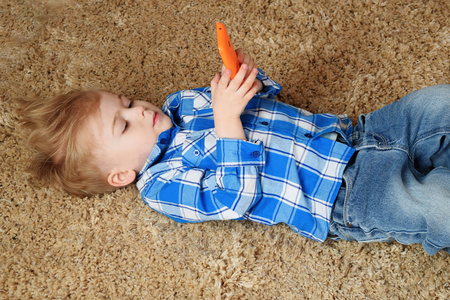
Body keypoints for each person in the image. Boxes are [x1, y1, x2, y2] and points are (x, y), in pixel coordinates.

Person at [19, 50, 450, 255]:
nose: (140, 110)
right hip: (338, 197)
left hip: (357, 132)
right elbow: (233, 197)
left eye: (128, 102)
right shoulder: (161, 186)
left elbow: (261, 102)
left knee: (436, 103)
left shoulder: (181, 102)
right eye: (125, 124)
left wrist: (247, 80)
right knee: (434, 203)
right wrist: (227, 121)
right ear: (120, 175)